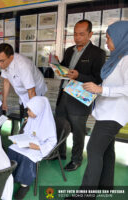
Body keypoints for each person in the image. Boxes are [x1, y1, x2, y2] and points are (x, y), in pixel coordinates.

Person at [80, 21, 128, 191]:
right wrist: (95, 90)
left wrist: (100, 89)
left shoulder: (127, 59)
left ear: (121, 38)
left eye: (109, 38)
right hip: (106, 112)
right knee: (106, 151)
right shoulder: (118, 57)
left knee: (93, 149)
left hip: (114, 115)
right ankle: (106, 187)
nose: (106, 42)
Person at [55, 20, 106, 171]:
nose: (77, 37)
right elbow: (65, 70)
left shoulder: (98, 53)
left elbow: (98, 79)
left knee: (78, 132)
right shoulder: (69, 50)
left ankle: (76, 159)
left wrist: (79, 76)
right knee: (60, 126)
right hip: (64, 94)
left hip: (79, 99)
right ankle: (60, 153)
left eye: (81, 34)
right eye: (75, 34)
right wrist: (58, 65)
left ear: (90, 34)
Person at [8, 96, 57, 200]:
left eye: (30, 110)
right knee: (11, 149)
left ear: (38, 111)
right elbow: (27, 132)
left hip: (39, 147)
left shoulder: (48, 123)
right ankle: (10, 176)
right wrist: (21, 139)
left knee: (27, 157)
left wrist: (39, 147)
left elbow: (52, 142)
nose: (28, 113)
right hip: (29, 142)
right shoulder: (32, 118)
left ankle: (24, 185)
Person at [0, 43, 47, 119]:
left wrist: (32, 110)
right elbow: (6, 81)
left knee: (33, 117)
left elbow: (31, 91)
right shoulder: (4, 64)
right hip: (23, 93)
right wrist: (4, 101)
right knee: (24, 116)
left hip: (35, 92)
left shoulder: (23, 65)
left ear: (11, 57)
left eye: (2, 61)